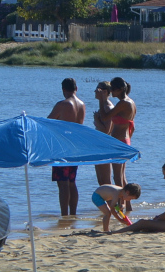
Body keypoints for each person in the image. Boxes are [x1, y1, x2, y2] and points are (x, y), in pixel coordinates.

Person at [119, 160, 165, 233]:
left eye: (164, 174)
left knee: (142, 223)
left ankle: (116, 232)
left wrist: (156, 220)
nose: (164, 178)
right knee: (150, 223)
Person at [48, 77, 86, 215]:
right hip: (75, 146)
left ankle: (64, 214)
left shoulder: (62, 104)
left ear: (63, 89)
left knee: (62, 183)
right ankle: (73, 213)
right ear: (76, 88)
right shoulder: (82, 105)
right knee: (72, 181)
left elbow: (48, 122)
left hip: (62, 147)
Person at [108, 77, 136, 187]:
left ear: (120, 89)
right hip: (125, 139)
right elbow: (132, 126)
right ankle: (127, 204)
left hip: (119, 141)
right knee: (122, 176)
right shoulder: (131, 102)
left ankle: (120, 204)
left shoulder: (123, 103)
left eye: (113, 89)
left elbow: (105, 116)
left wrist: (101, 100)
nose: (111, 91)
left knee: (117, 177)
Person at [92, 81, 115, 187]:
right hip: (98, 145)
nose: (95, 91)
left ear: (105, 92)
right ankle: (106, 203)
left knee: (106, 181)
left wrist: (97, 119)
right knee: (101, 182)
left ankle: (115, 203)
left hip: (105, 146)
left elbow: (107, 131)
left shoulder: (108, 107)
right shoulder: (103, 106)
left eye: (98, 89)